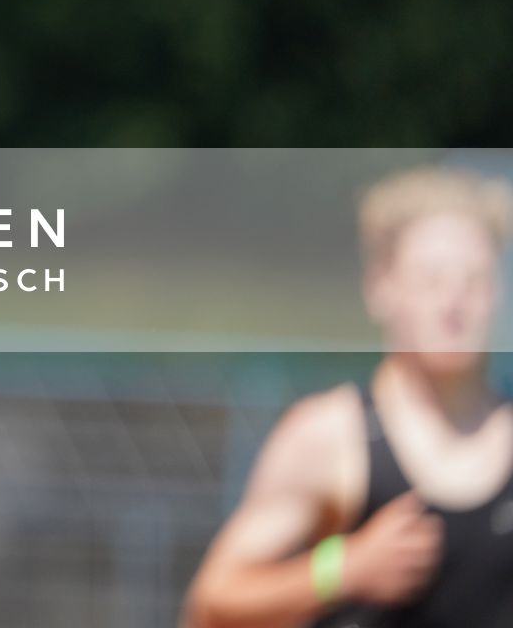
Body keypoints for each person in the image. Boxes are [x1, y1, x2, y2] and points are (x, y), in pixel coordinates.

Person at [183, 166, 513, 628]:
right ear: (381, 287)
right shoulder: (327, 435)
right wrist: (341, 570)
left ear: (496, 292)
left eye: (472, 280)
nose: (453, 303)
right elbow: (211, 603)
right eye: (432, 279)